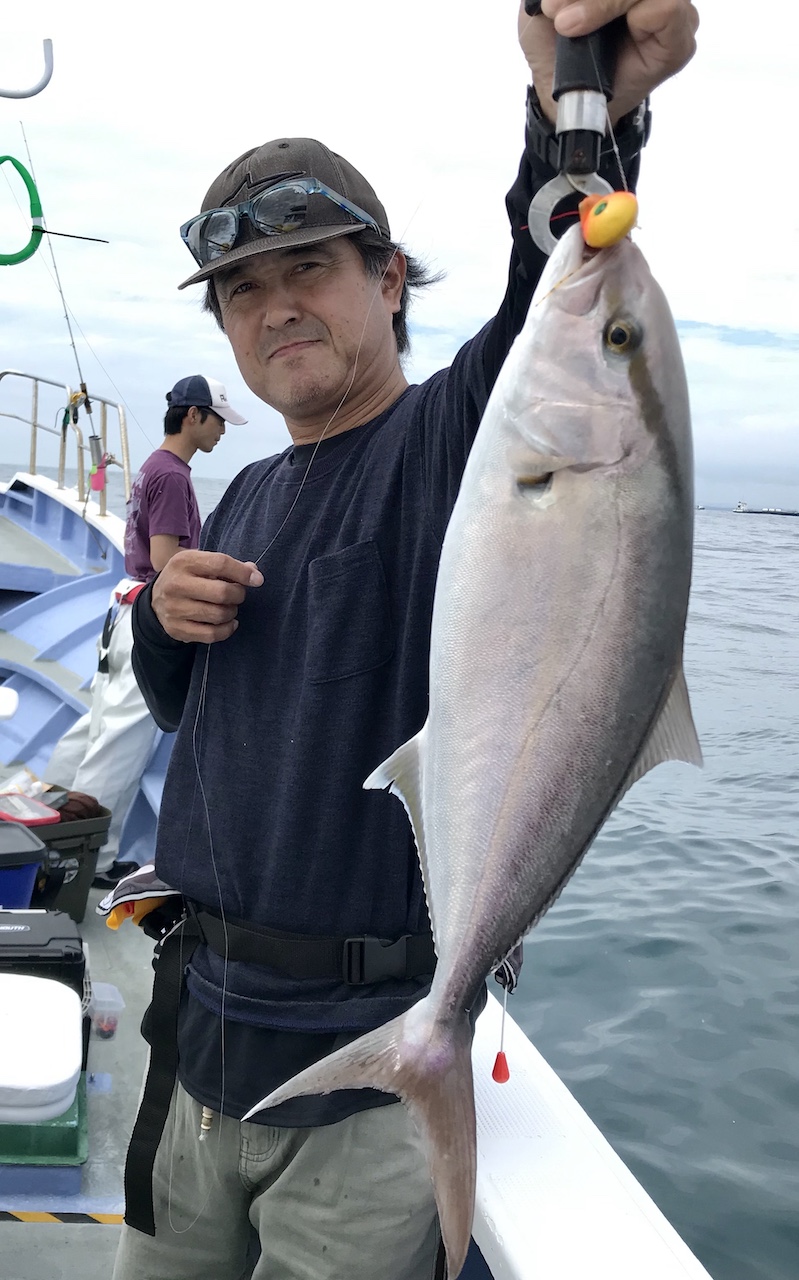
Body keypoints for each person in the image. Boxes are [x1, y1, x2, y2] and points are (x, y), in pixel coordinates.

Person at [115, 3, 698, 1277]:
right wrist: (163, 620)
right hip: (195, 1041)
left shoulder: (454, 440)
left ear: (388, 280)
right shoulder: (243, 493)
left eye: (309, 270)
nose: (277, 309)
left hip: (365, 1084)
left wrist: (585, 109)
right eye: (243, 291)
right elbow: (180, 714)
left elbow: (557, 278)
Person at [44, 376, 246, 889]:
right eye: (219, 420)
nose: (223, 432)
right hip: (144, 617)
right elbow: (164, 560)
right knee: (121, 740)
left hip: (121, 609)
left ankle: (48, 809)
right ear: (194, 415)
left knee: (96, 722)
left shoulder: (154, 467)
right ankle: (90, 857)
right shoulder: (174, 475)